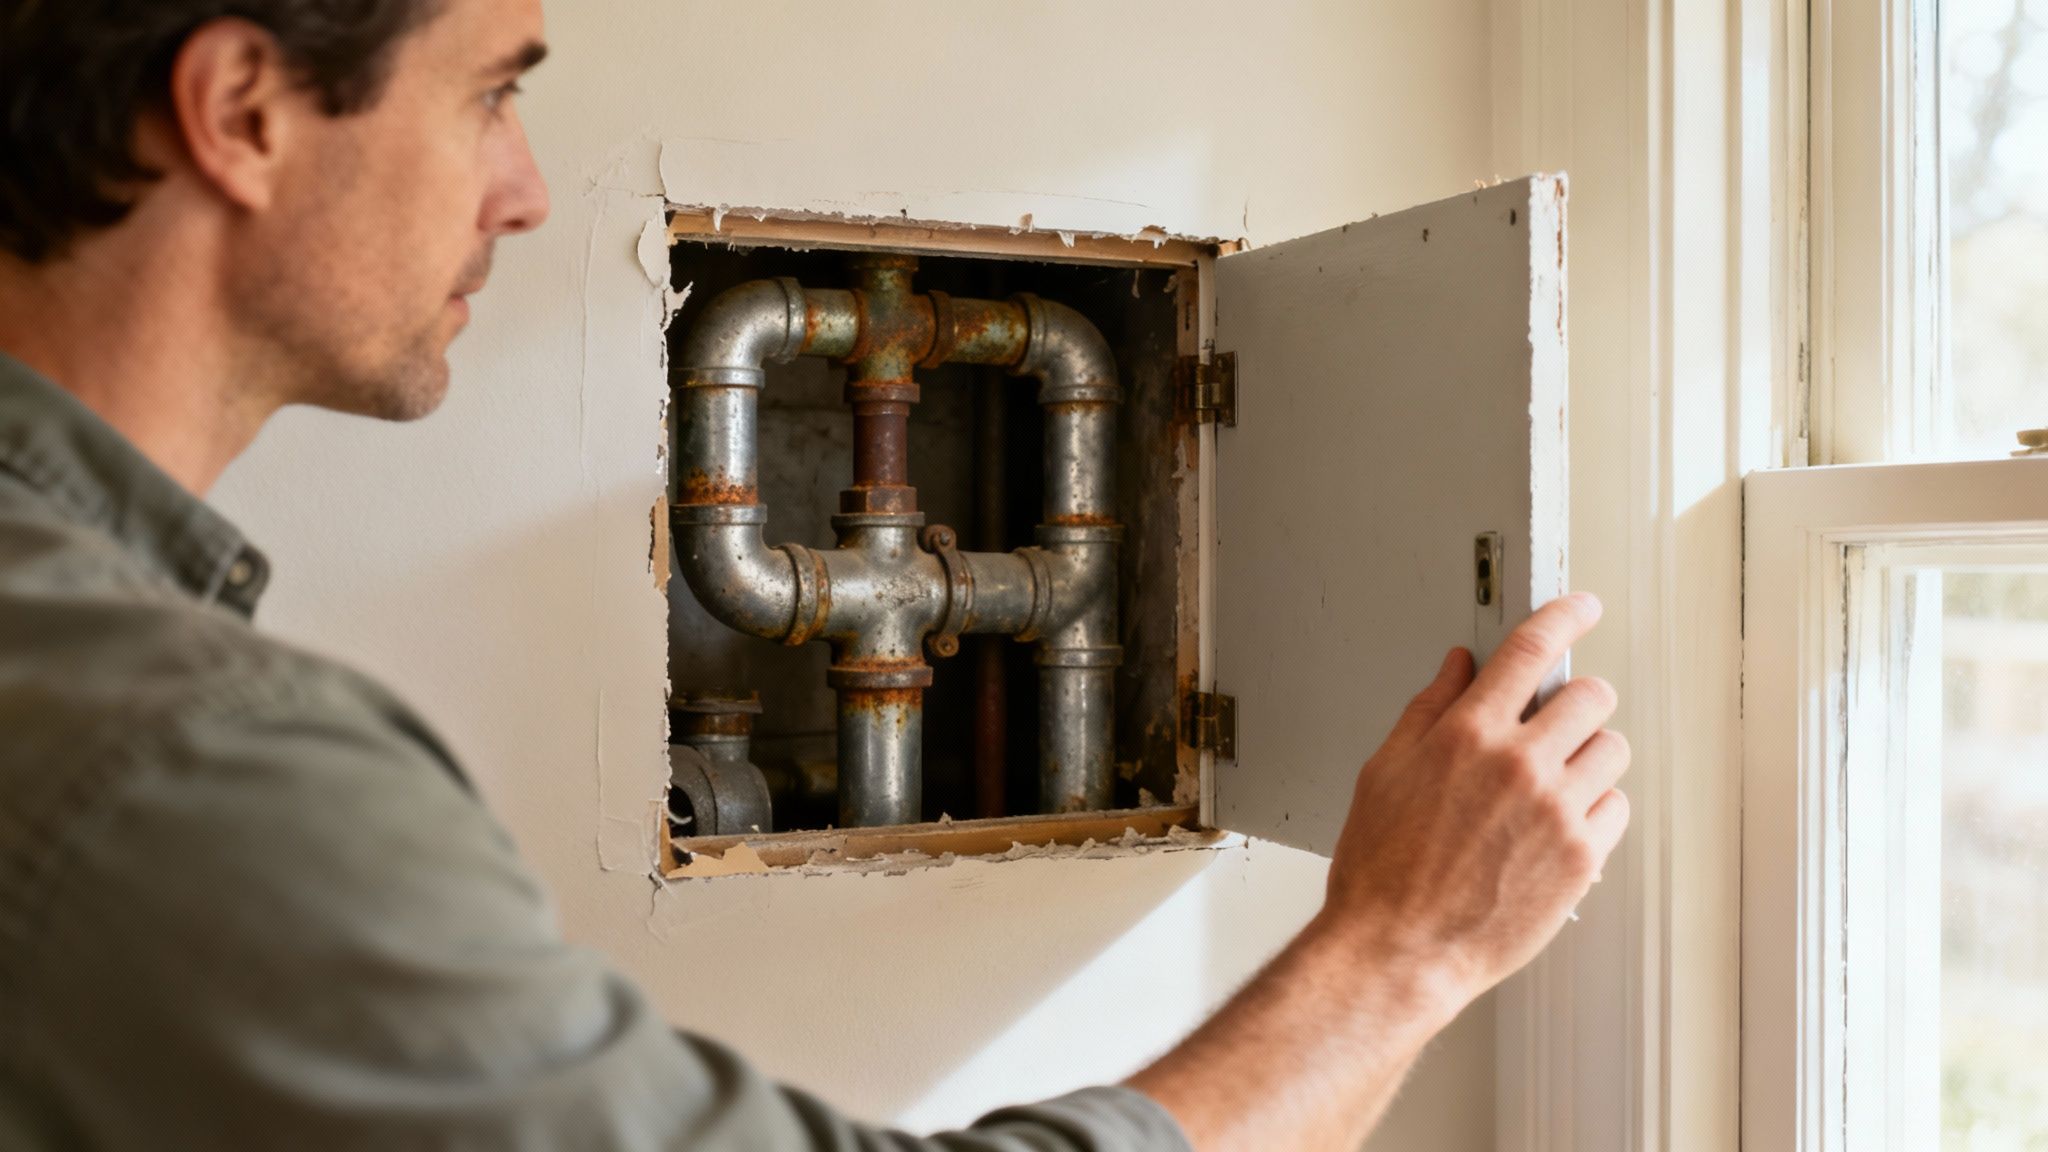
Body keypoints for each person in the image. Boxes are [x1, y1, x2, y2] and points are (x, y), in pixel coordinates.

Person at [0, 0, 1632, 1148]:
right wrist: (1405, 949)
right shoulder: (179, 762)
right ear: (242, 112)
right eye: (491, 89)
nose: (528, 185)